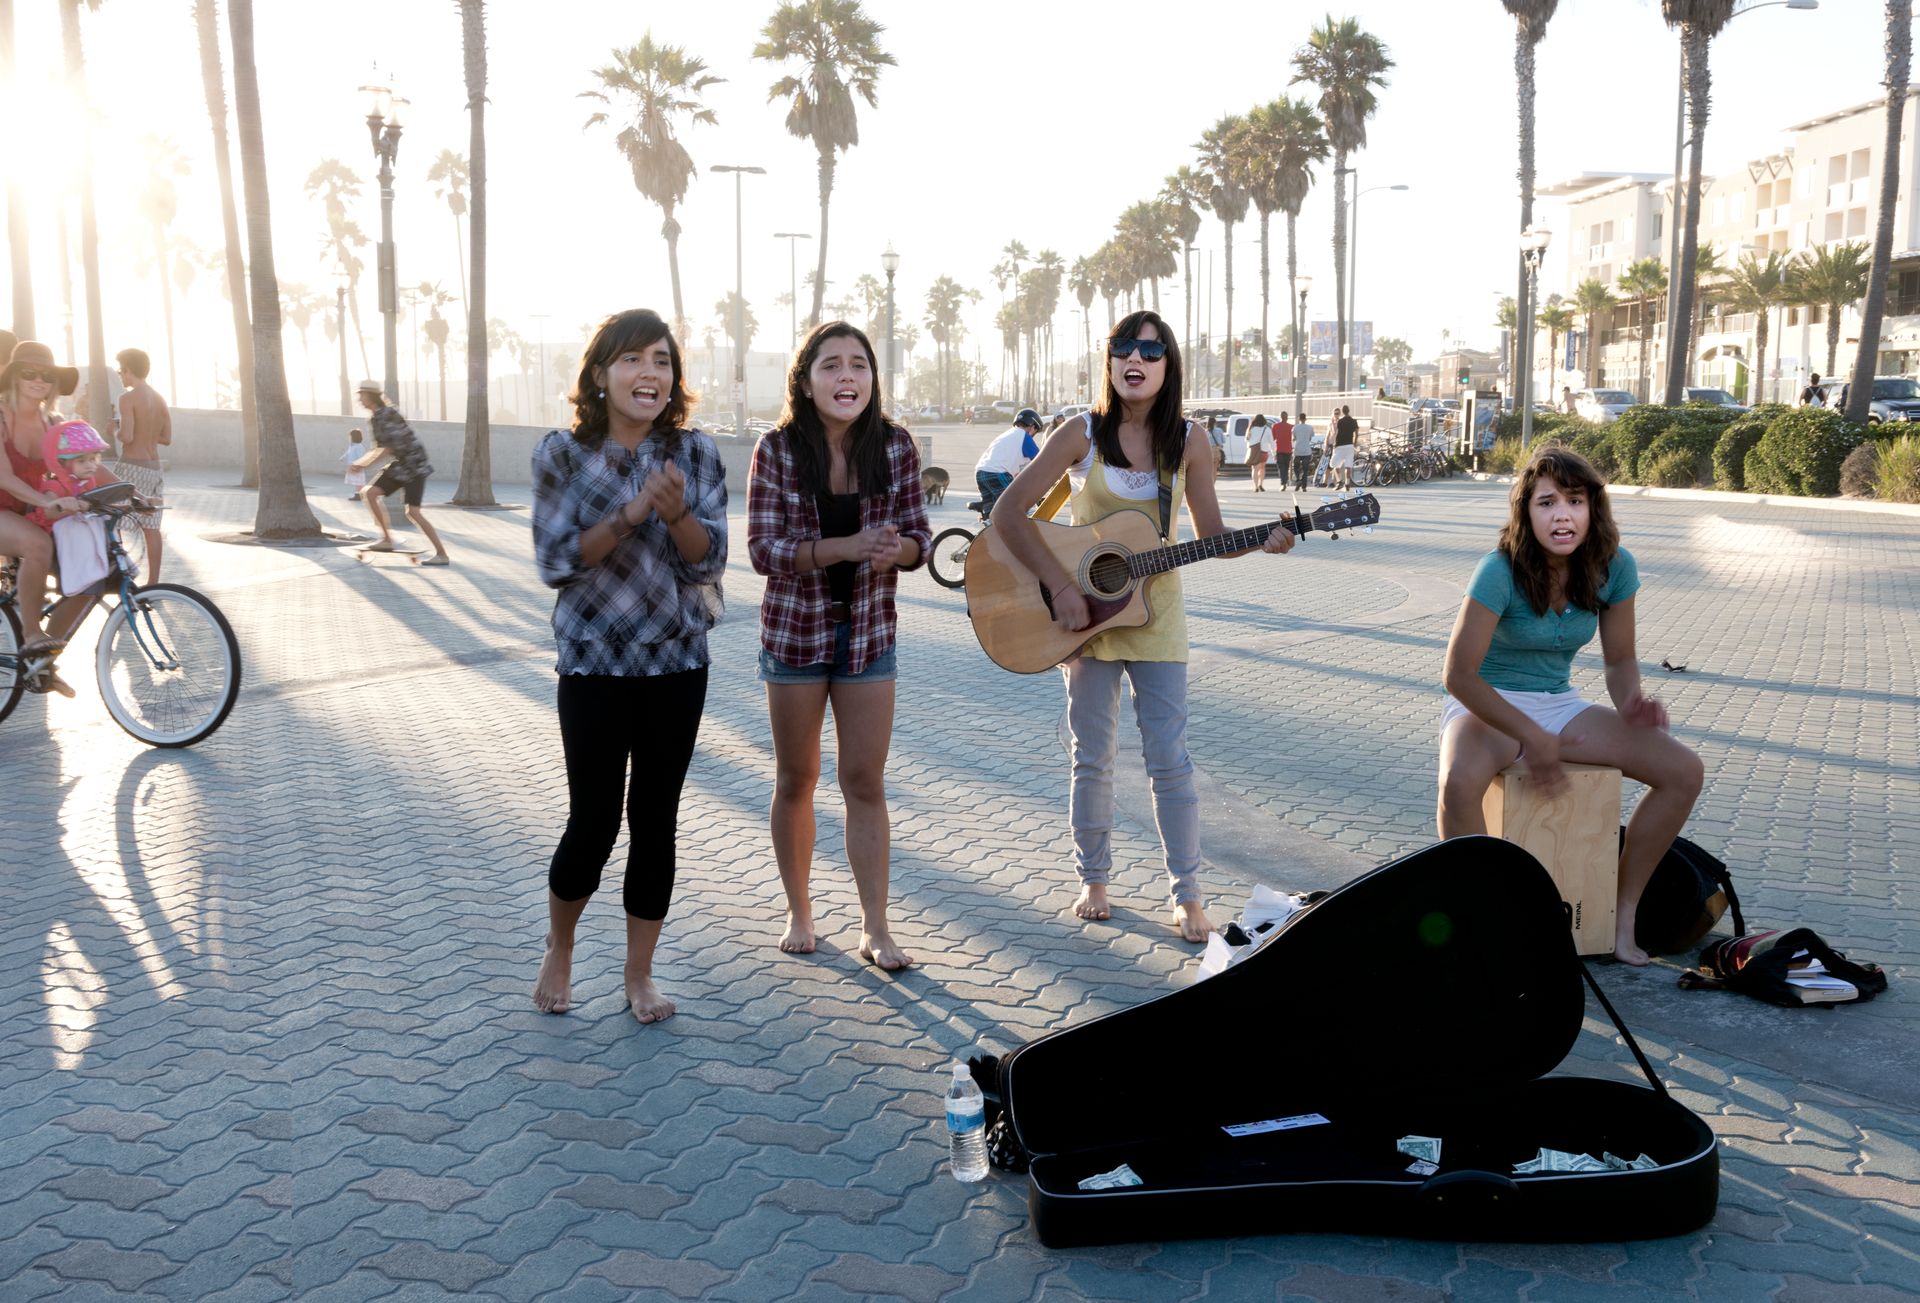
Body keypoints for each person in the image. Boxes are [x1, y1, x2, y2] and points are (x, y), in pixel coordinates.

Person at [989, 311, 1296, 944]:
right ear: (1108, 361)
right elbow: (1009, 512)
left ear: (1168, 367)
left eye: (1150, 353)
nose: (1136, 359)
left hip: (1158, 620)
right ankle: (1094, 881)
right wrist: (1062, 586)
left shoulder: (1190, 441)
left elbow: (1212, 538)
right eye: (1123, 348)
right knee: (1092, 756)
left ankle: (1187, 894)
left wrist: (1262, 539)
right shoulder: (1081, 433)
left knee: (1170, 761)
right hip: (1086, 621)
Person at [529, 309, 727, 1024]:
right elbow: (555, 561)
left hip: (677, 663)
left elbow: (708, 559)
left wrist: (674, 514)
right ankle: (560, 946)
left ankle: (639, 972)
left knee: (655, 819)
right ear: (600, 372)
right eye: (634, 359)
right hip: (592, 666)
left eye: (663, 360)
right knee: (593, 820)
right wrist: (632, 511)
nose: (651, 373)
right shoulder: (562, 452)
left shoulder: (695, 453)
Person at [1435, 446, 1703, 966]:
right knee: (1458, 783)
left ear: (1592, 509)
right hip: (1488, 704)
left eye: (1575, 501)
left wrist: (1632, 704)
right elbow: (1459, 675)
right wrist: (1530, 736)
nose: (1562, 514)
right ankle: (1479, 915)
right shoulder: (1498, 569)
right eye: (1547, 502)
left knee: (1683, 770)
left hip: (1558, 702)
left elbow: (1620, 658)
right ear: (1526, 512)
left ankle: (1620, 915)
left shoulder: (1615, 566)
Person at [748, 321, 933, 972]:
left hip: (868, 636)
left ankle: (875, 927)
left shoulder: (897, 447)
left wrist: (898, 548)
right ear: (805, 379)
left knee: (864, 781)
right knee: (796, 778)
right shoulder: (775, 449)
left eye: (859, 364)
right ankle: (799, 910)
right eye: (831, 365)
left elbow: (921, 542)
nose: (847, 376)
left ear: (873, 379)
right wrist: (845, 548)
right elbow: (762, 551)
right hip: (795, 637)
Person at [0, 340, 88, 661]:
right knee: (38, 544)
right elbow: (4, 478)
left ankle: (43, 659)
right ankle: (31, 634)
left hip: (27, 511)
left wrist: (129, 491)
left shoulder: (53, 422)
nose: (39, 380)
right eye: (29, 372)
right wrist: (47, 501)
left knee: (91, 574)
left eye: (47, 375)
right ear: (14, 377)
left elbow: (87, 459)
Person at [351, 381, 451, 565]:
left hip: (414, 465)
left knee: (413, 512)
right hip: (401, 464)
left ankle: (442, 554)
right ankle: (387, 539)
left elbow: (387, 448)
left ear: (371, 396)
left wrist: (363, 464)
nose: (359, 399)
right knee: (370, 493)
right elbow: (380, 447)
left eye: (361, 395)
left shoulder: (387, 415)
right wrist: (362, 462)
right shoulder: (376, 417)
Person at [112, 348, 171, 586]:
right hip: (154, 467)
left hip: (131, 467)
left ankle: (118, 573)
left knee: (110, 517)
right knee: (151, 527)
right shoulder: (159, 399)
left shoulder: (127, 399)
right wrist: (146, 432)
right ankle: (153, 583)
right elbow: (166, 438)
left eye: (120, 370)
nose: (120, 375)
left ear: (128, 369)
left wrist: (113, 430)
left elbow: (126, 436)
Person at [973, 407, 1043, 518]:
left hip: (980, 473)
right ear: (1032, 426)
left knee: (993, 514)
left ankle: (991, 532)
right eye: (1036, 431)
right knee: (1017, 509)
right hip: (996, 474)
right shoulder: (1024, 437)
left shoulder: (1007, 434)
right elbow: (1042, 462)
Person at [1331, 405, 1359, 491]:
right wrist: (1354, 443)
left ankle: (1339, 481)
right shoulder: (1354, 421)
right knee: (1348, 466)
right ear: (1349, 410)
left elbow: (1335, 433)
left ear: (1342, 412)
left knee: (1334, 464)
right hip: (1349, 445)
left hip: (1340, 445)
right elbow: (1357, 434)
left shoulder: (1340, 421)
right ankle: (1347, 483)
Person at [1246, 413, 1271, 492]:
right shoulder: (1267, 429)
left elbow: (1246, 440)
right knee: (1262, 468)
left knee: (1255, 469)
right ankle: (1261, 484)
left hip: (1254, 451)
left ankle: (1256, 486)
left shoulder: (1251, 429)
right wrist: (1274, 452)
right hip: (1264, 452)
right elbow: (1271, 442)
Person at [340, 428, 368, 499]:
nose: (349, 438)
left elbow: (360, 456)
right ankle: (361, 494)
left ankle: (359, 495)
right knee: (358, 481)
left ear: (354, 437)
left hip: (357, 466)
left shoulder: (359, 447)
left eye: (350, 437)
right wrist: (343, 457)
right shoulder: (352, 446)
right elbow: (348, 453)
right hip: (353, 466)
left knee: (359, 482)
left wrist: (358, 465)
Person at [1271, 410, 1294, 492]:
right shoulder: (1291, 427)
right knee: (1286, 466)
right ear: (1287, 418)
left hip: (1279, 449)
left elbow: (1273, 438)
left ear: (1280, 417)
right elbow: (1294, 439)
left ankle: (1283, 483)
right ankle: (1285, 481)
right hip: (1288, 450)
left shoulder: (1275, 426)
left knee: (1281, 468)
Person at [1292, 413, 1314, 490]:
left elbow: (1294, 438)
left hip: (1298, 450)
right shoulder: (1310, 428)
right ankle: (1304, 486)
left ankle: (1298, 480)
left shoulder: (1295, 428)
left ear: (1299, 419)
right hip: (1307, 450)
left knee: (1296, 467)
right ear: (1305, 419)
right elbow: (1310, 438)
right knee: (1305, 469)